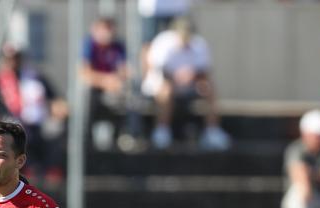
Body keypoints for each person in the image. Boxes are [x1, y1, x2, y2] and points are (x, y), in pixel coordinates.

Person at [141, 17, 230, 150]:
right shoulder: (163, 42)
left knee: (208, 88)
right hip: (162, 84)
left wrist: (191, 76)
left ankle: (212, 131)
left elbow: (204, 72)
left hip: (189, 85)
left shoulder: (199, 44)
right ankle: (162, 131)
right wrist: (178, 77)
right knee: (166, 89)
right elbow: (161, 73)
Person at [0, 45, 67, 182]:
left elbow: (55, 99)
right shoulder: (0, 80)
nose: (13, 62)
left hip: (39, 121)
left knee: (55, 133)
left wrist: (58, 109)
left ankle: (51, 169)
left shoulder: (36, 77)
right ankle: (29, 168)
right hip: (12, 121)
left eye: (16, 58)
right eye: (9, 59)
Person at [81, 17, 130, 150]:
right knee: (89, 97)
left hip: (113, 89)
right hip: (95, 89)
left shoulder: (118, 47)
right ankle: (87, 140)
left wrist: (117, 80)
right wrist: (106, 81)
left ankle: (121, 137)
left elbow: (124, 70)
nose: (108, 33)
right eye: (105, 29)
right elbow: (85, 74)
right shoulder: (89, 45)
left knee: (127, 97)